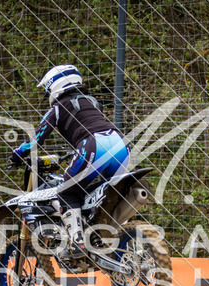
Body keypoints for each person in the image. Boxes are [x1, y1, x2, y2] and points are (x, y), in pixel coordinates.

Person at [9, 65, 130, 259]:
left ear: (54, 86)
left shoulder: (58, 108)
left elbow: (37, 137)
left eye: (47, 90)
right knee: (110, 193)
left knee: (66, 191)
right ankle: (119, 238)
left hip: (93, 144)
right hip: (120, 143)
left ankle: (77, 243)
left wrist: (18, 153)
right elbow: (88, 122)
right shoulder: (92, 101)